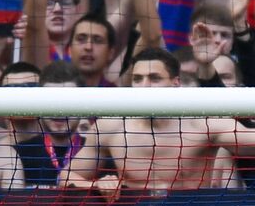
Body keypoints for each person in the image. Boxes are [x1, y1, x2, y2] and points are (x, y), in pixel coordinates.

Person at [64, 47, 255, 191]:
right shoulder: (110, 127)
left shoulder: (204, 124)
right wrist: (96, 185)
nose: (144, 86)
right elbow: (65, 176)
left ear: (175, 83)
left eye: (154, 78)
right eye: (137, 79)